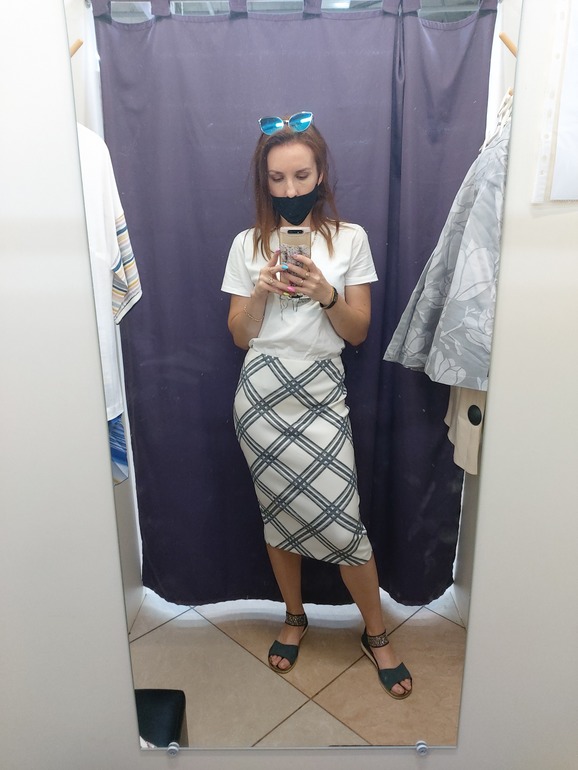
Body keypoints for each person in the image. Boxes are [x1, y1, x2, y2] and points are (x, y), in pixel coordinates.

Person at [221, 112, 412, 699]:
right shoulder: (247, 245)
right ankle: (294, 617)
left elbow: (357, 332)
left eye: (301, 176)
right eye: (277, 179)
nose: (290, 189)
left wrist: (324, 292)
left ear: (320, 172)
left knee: (344, 521)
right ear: (264, 181)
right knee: (277, 515)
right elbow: (240, 336)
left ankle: (375, 632)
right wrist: (260, 292)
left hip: (322, 394)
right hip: (261, 397)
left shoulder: (349, 239)